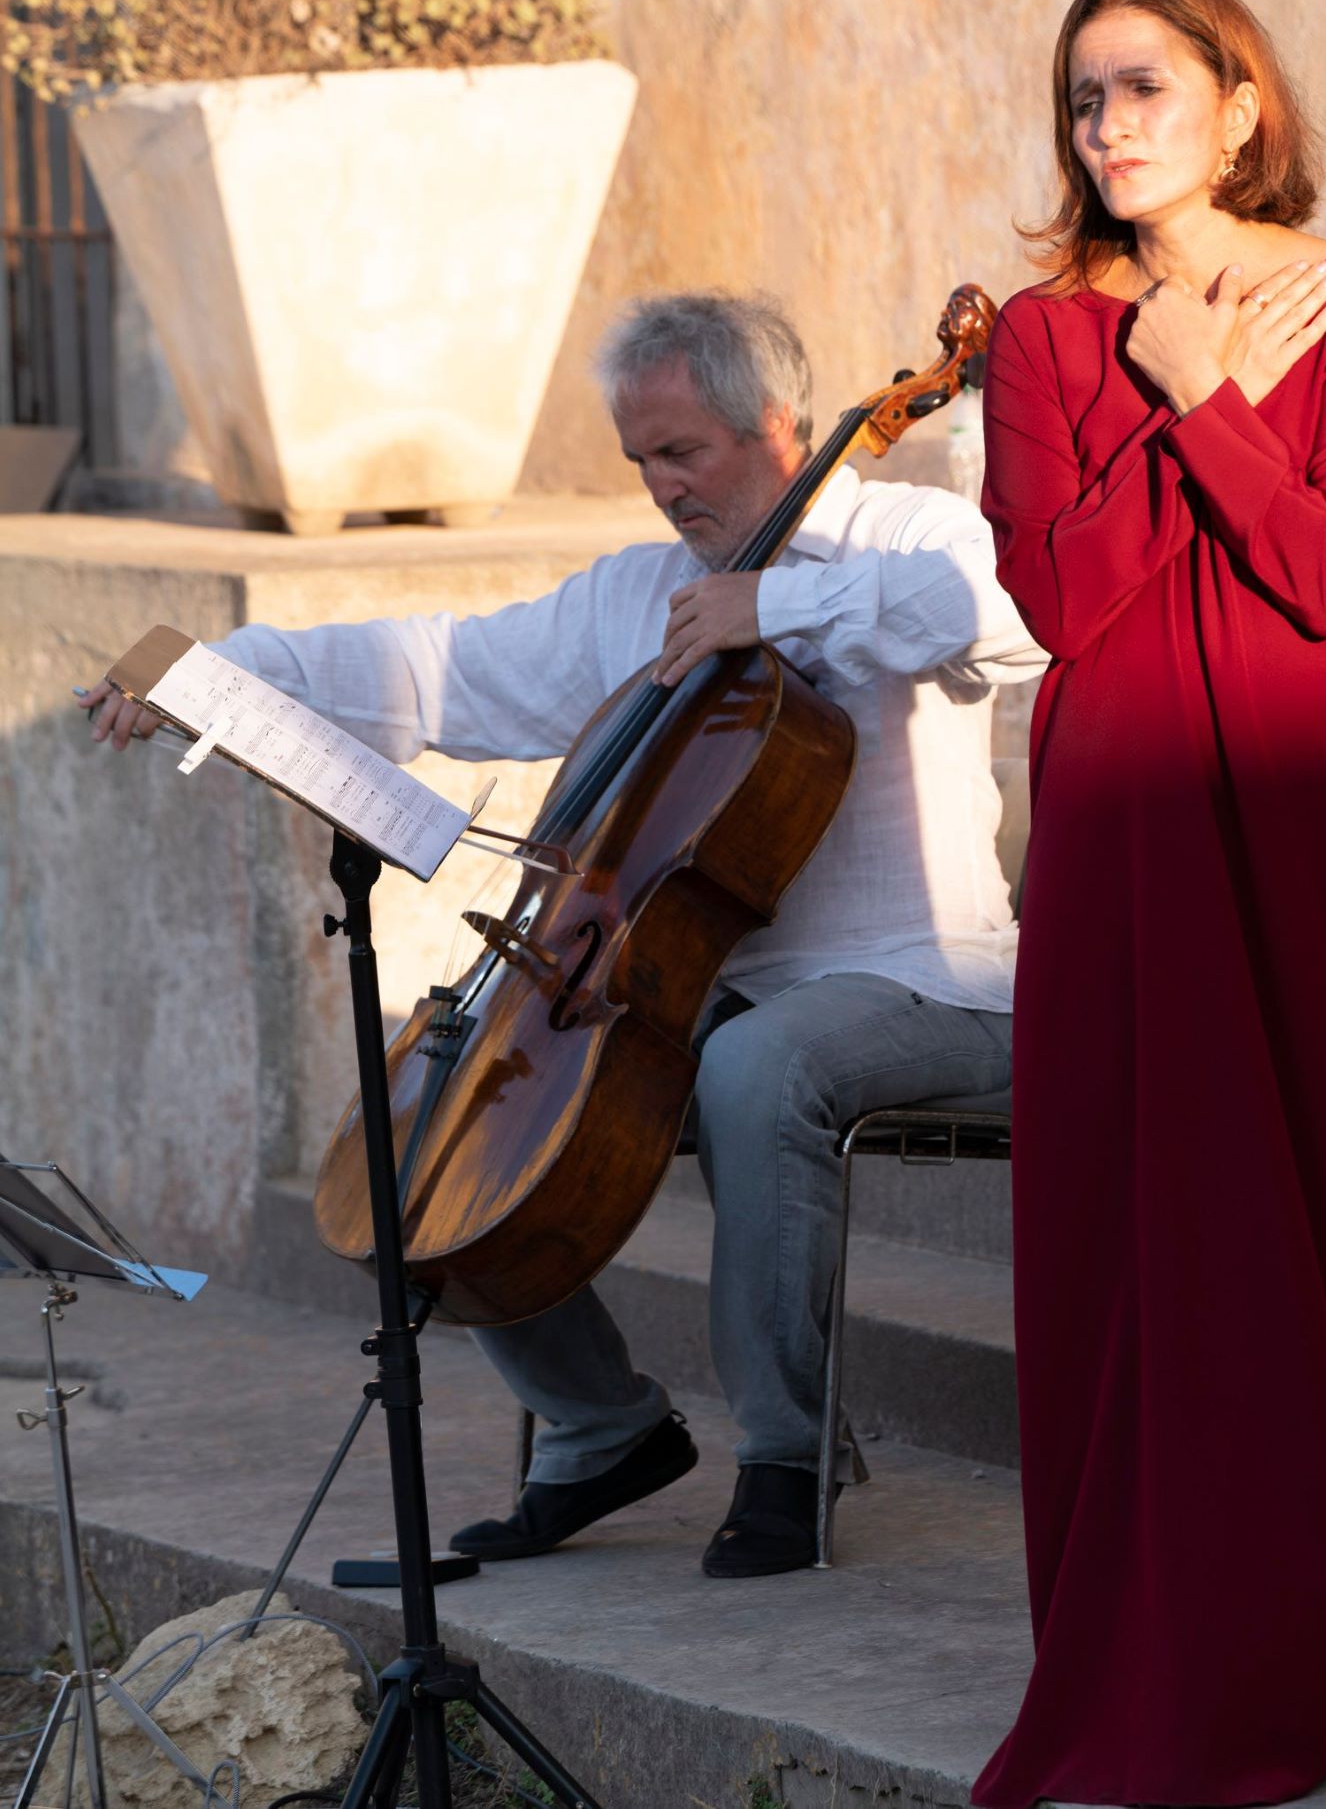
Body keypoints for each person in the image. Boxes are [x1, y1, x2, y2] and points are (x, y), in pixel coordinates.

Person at [82, 291, 1042, 1579]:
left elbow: (1011, 604)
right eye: (640, 459)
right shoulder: (637, 597)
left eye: (683, 453)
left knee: (760, 1069)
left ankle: (785, 1450)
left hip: (924, 983)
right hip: (691, 994)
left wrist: (776, 609)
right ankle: (602, 1430)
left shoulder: (906, 532)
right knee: (432, 1104)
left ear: (776, 425)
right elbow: (432, 667)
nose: (659, 488)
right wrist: (209, 669)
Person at [971, 0, 1326, 1807]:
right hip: (1134, 824)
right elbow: (1068, 596)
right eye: (1079, 100)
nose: (1105, 125)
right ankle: (1178, 1637)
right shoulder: (1043, 341)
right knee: (1167, 1226)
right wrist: (1170, 385)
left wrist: (1204, 386)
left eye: (1140, 87)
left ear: (1238, 103)